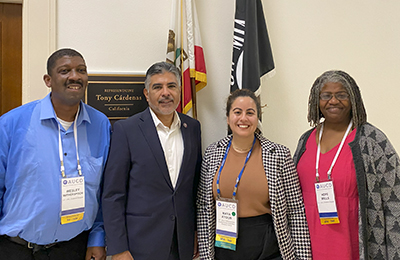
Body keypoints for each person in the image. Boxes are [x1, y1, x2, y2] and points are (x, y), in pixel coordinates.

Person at [0, 48, 111, 260]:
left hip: (73, 248)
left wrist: (97, 239)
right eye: (65, 70)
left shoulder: (100, 125)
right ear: (48, 80)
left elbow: (104, 189)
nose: (75, 76)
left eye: (81, 70)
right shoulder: (13, 123)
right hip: (16, 249)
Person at [293, 70, 400, 259]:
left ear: (353, 99)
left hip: (352, 246)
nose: (333, 101)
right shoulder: (305, 140)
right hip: (307, 246)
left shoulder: (372, 140)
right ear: (316, 102)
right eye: (326, 96)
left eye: (341, 95)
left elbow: (395, 199)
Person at [102, 61, 202, 260]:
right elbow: (113, 195)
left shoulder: (192, 128)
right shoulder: (127, 130)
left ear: (180, 91)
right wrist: (118, 248)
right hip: (140, 245)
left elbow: (194, 187)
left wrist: (196, 233)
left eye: (171, 86)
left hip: (182, 242)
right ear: (147, 94)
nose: (166, 93)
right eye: (157, 87)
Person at [197, 89, 311, 260]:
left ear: (257, 118)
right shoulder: (212, 153)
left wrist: (302, 257)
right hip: (224, 243)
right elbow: (203, 207)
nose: (243, 118)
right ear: (228, 118)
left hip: (267, 244)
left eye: (250, 113)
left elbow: (295, 210)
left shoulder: (279, 154)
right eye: (237, 112)